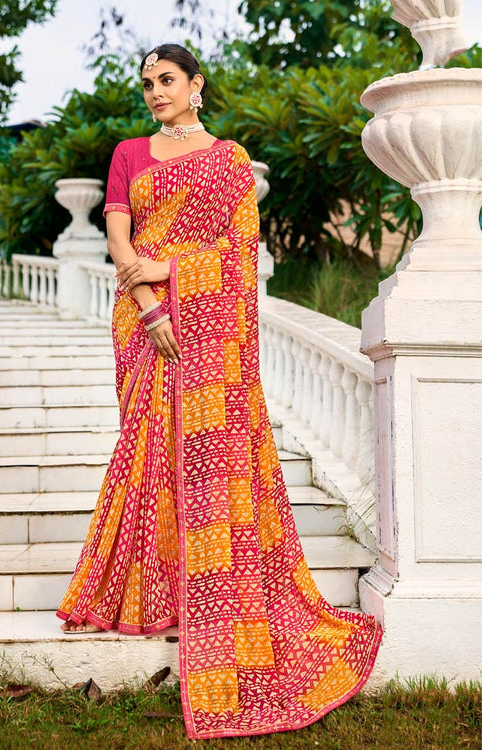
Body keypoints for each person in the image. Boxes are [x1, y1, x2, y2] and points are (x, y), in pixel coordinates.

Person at [55, 43, 383, 740]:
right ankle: (147, 592)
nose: (155, 92)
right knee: (147, 451)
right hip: (143, 320)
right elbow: (120, 241)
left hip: (209, 329)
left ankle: (209, 593)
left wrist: (171, 269)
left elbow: (237, 255)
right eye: (147, 83)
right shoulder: (129, 154)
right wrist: (152, 306)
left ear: (195, 84)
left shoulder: (230, 161)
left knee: (209, 464)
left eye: (167, 80)